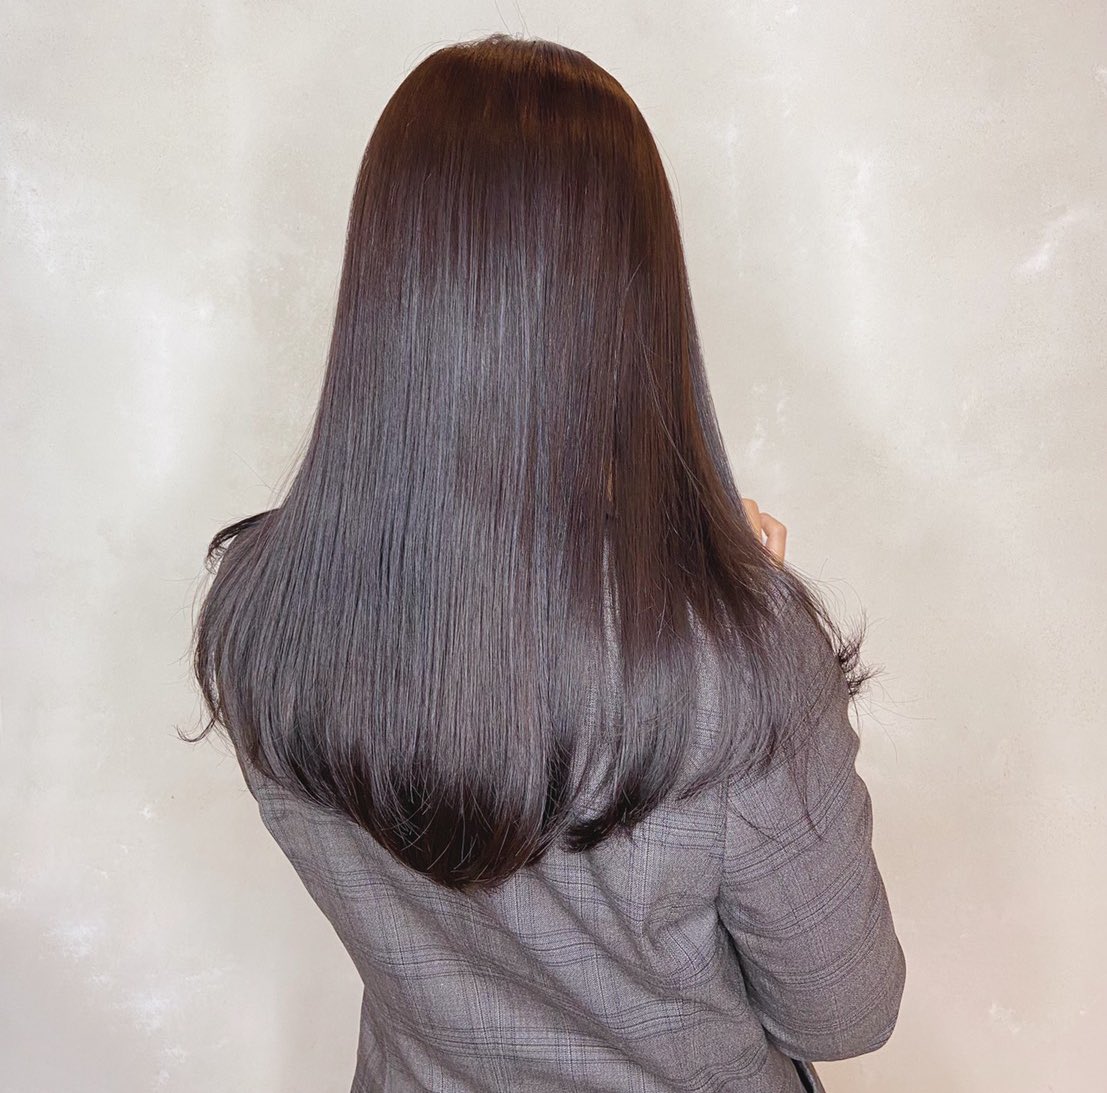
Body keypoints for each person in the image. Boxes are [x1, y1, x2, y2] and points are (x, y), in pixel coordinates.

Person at [186, 32, 906, 1092]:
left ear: (389, 278)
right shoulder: (733, 661)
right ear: (634, 289)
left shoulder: (261, 609)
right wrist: (746, 621)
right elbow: (842, 1009)